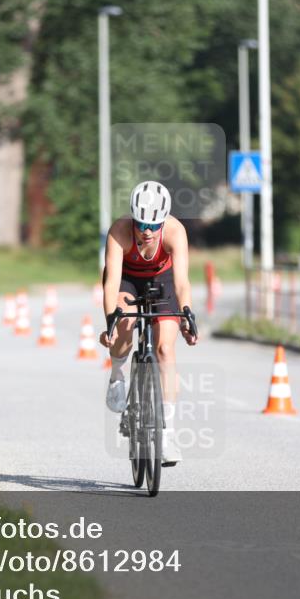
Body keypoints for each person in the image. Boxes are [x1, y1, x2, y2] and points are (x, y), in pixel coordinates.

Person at [99, 181, 197, 466]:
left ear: (163, 220)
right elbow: (111, 284)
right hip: (127, 278)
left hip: (162, 280)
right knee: (125, 325)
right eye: (141, 223)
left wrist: (187, 314)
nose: (147, 231)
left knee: (165, 349)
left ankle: (166, 434)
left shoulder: (176, 232)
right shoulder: (119, 231)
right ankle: (118, 374)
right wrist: (111, 322)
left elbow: (181, 283)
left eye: (154, 226)